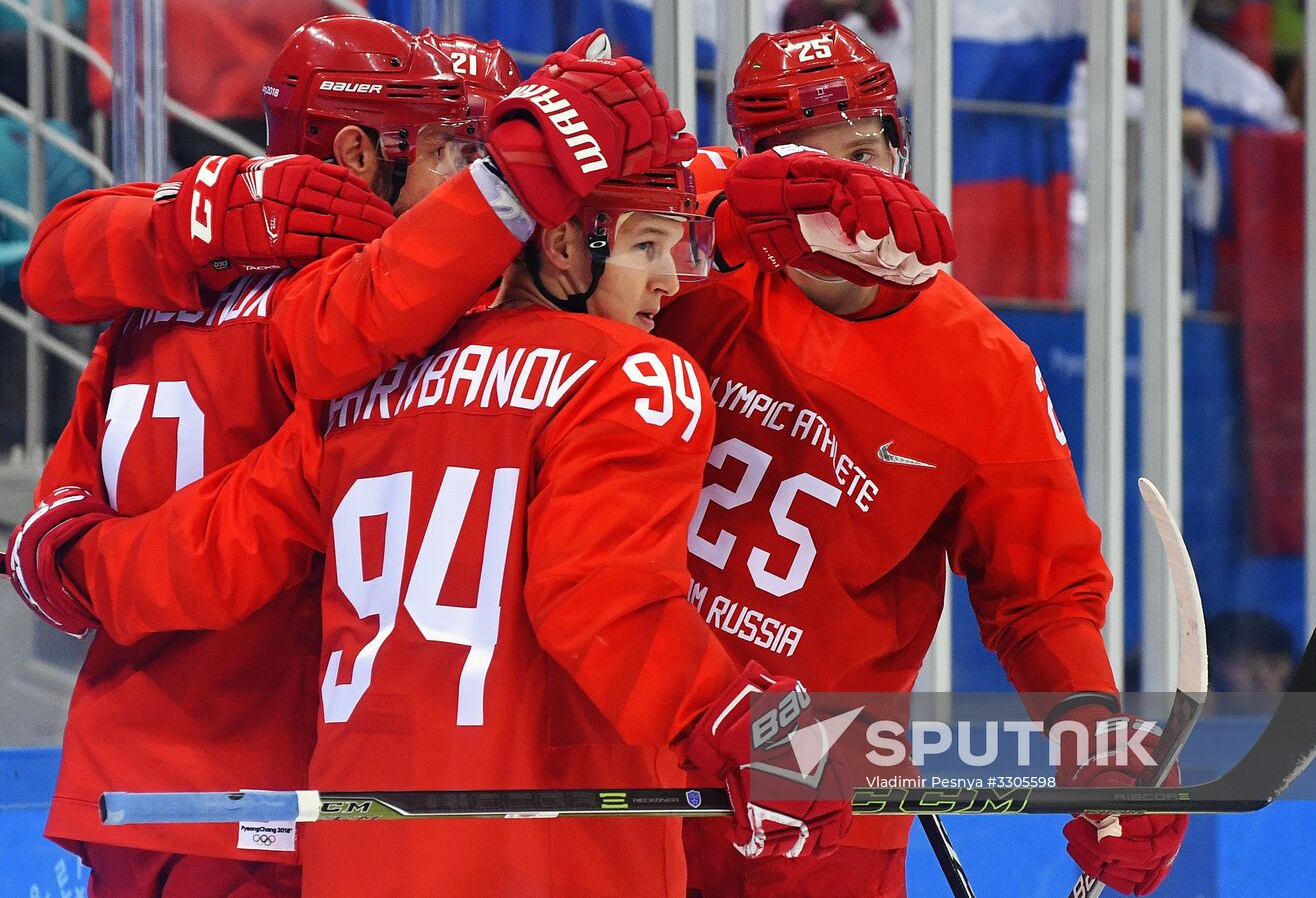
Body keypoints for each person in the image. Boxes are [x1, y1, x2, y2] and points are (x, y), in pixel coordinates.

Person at [9, 166, 854, 896]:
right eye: (645, 247)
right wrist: (755, 729)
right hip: (552, 851)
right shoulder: (632, 371)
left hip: (358, 849)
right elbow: (604, 602)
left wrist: (70, 559)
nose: (672, 281)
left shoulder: (368, 384)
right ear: (560, 246)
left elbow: (209, 554)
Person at [12, 16, 695, 898]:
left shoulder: (149, 306)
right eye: (452, 151)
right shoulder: (348, 330)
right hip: (265, 782)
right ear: (359, 153)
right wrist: (524, 175)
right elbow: (375, 310)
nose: (460, 182)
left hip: (127, 774)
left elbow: (57, 527)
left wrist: (69, 562)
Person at [662, 21, 1189, 897]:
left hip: (827, 781)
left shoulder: (984, 365)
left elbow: (1042, 592)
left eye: (862, 153)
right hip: (637, 740)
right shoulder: (678, 267)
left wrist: (1096, 738)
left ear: (900, 149)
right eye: (804, 165)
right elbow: (562, 230)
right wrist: (718, 201)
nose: (844, 192)